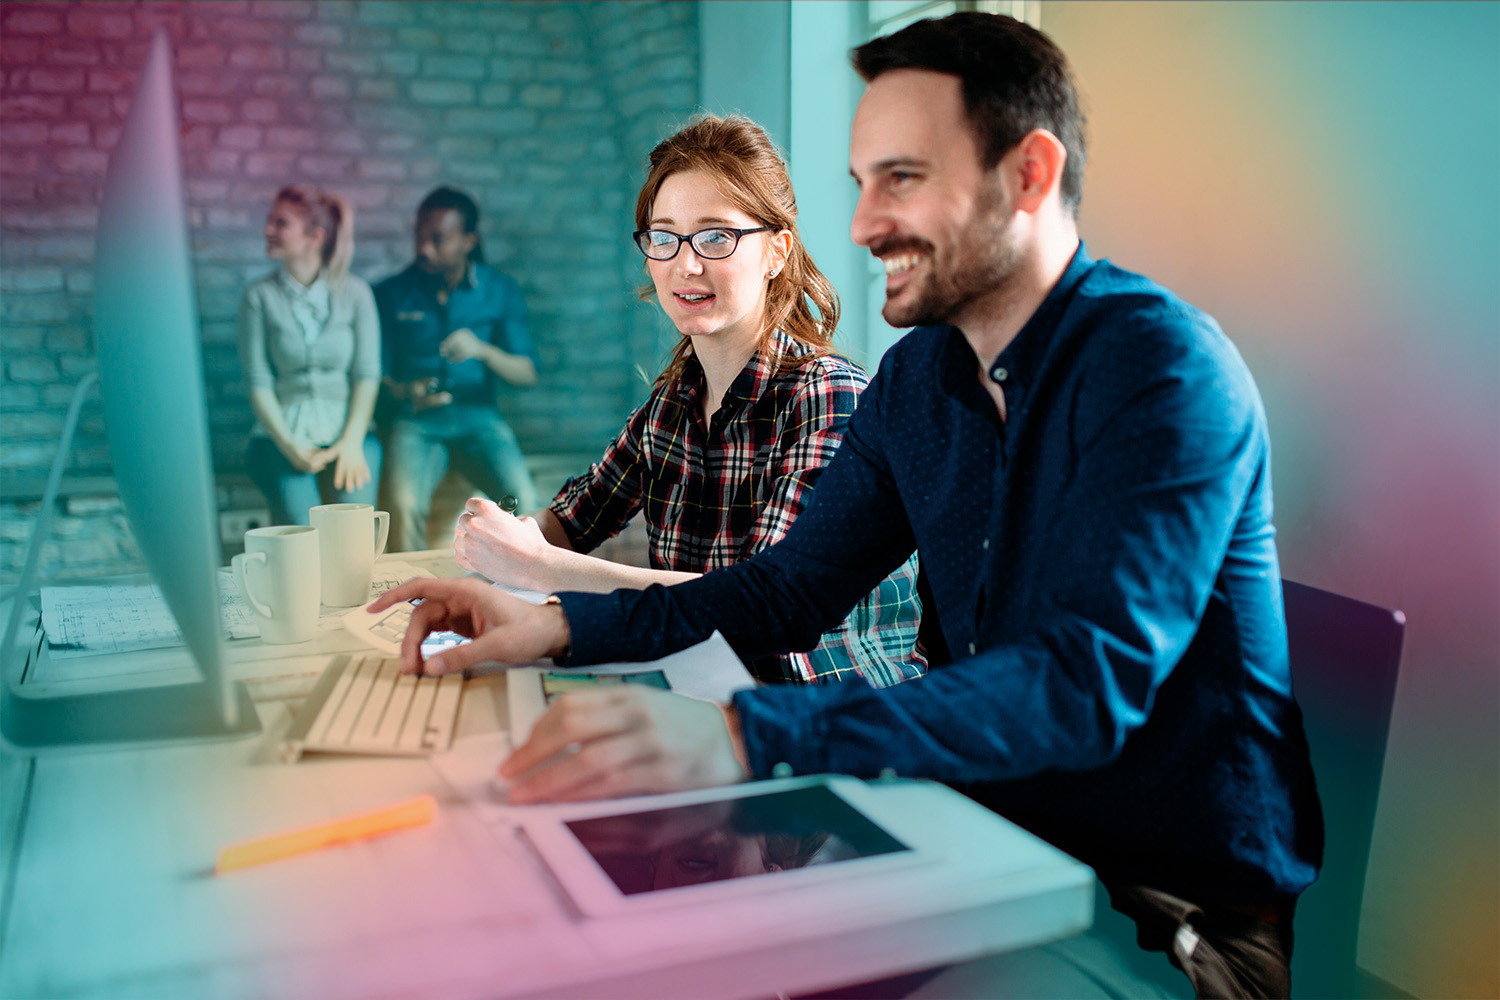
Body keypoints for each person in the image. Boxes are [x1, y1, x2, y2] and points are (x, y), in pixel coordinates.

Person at [371, 13, 1321, 998]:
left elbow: (1074, 686)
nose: (864, 224)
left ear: (1029, 174)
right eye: (864, 183)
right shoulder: (920, 384)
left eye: (901, 178)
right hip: (968, 840)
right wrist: (550, 626)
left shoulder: (1159, 369)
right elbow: (785, 590)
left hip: (1154, 918)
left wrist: (741, 733)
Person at [450, 116, 924, 686]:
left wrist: (543, 567)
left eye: (716, 236)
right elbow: (571, 519)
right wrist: (504, 536)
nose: (685, 263)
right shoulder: (672, 403)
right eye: (664, 236)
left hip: (828, 712)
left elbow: (762, 607)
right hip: (705, 690)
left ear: (777, 252)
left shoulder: (829, 397)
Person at [375, 186, 541, 552]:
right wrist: (407, 392)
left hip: (478, 418)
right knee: (402, 507)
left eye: (437, 239)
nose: (423, 248)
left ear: (469, 241)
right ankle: (410, 599)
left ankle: (519, 595)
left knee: (525, 500)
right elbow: (375, 379)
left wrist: (482, 350)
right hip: (415, 423)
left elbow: (526, 373)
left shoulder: (499, 289)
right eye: (419, 237)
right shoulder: (390, 294)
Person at [238, 184, 380, 526]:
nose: (267, 230)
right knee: (301, 534)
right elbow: (258, 381)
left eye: (280, 223)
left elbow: (367, 373)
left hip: (350, 433)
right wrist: (289, 446)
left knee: (356, 532)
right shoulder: (258, 297)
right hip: (282, 436)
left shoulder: (357, 293)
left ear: (314, 237)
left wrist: (351, 443)